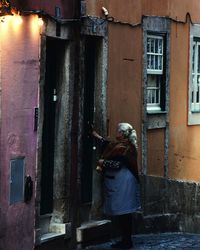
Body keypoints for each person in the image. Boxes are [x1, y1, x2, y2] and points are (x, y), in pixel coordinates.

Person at [92, 122, 141, 249]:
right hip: (120, 182)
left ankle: (126, 241)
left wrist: (103, 162)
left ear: (123, 134)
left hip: (124, 183)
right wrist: (97, 136)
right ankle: (125, 240)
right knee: (123, 213)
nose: (116, 133)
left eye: (118, 131)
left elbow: (117, 164)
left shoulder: (126, 148)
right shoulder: (120, 145)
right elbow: (109, 145)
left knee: (124, 213)